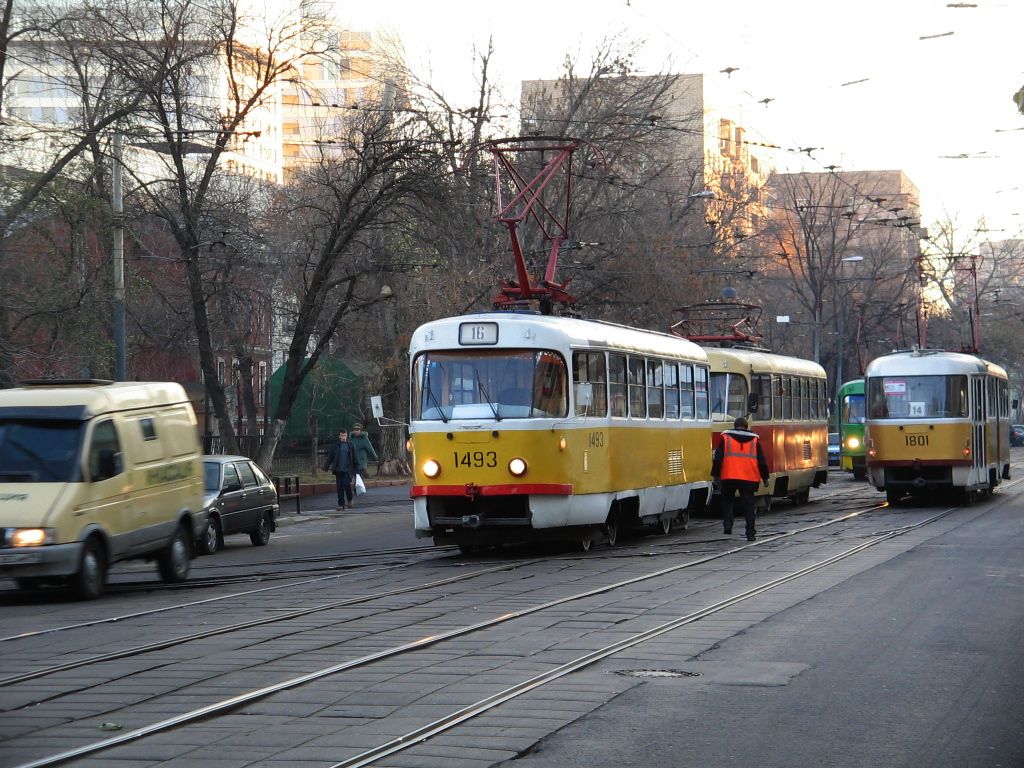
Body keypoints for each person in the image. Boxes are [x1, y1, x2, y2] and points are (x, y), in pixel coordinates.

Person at [711, 416, 770, 541]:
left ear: (734, 426)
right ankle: (750, 533)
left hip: (729, 476)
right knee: (749, 506)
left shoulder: (725, 438)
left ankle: (728, 525)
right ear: (746, 426)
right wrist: (765, 478)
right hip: (748, 477)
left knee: (727, 501)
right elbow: (761, 461)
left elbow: (718, 458)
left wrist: (716, 475)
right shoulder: (754, 440)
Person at [323, 429, 358, 510]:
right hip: (338, 470)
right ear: (339, 436)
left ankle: (350, 499)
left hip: (347, 470)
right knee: (339, 487)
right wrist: (326, 467)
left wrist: (357, 469)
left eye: (345, 435)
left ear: (347, 436)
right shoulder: (335, 446)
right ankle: (341, 504)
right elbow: (330, 457)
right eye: (342, 435)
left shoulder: (351, 445)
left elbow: (355, 458)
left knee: (347, 485)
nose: (343, 437)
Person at [348, 422, 378, 504]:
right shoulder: (351, 439)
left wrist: (375, 457)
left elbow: (370, 449)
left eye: (357, 430)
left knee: (359, 476)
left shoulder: (364, 439)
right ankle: (352, 488)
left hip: (361, 461)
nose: (356, 431)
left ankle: (356, 489)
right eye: (354, 430)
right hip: (351, 461)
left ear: (361, 430)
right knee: (350, 475)